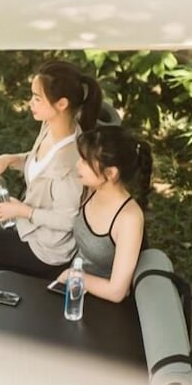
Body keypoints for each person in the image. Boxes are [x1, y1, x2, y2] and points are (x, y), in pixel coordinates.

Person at [0, 59, 103, 299]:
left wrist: (22, 211)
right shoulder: (52, 126)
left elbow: (69, 221)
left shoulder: (68, 165)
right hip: (29, 232)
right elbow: (37, 161)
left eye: (37, 98)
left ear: (62, 103)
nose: (30, 103)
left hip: (45, 251)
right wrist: (9, 159)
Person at [53, 124, 153, 303]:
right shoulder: (92, 190)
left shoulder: (129, 218)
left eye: (85, 161)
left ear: (111, 173)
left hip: (104, 303)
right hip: (75, 287)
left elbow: (117, 292)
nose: (78, 165)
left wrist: (74, 276)